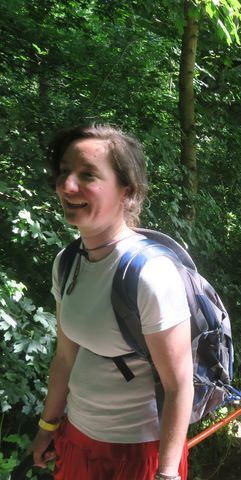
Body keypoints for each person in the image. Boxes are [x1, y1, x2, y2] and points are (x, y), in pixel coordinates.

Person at [29, 124, 193, 480]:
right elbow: (64, 357)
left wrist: (166, 474)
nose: (66, 186)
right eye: (63, 173)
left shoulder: (152, 274)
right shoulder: (68, 262)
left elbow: (179, 385)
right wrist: (48, 425)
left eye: (87, 175)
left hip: (138, 455)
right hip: (77, 440)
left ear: (126, 192)